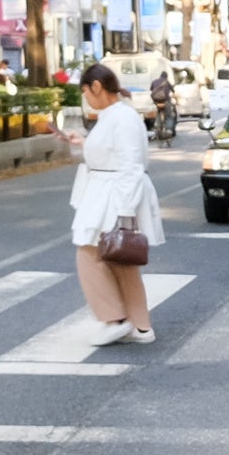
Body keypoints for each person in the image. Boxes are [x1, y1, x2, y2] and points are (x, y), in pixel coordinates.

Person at [67, 60, 162, 343]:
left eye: (85, 91)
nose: (85, 99)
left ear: (96, 87)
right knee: (118, 259)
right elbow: (114, 152)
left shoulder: (121, 117)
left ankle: (115, 318)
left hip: (114, 193)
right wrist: (85, 143)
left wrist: (124, 210)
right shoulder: (115, 115)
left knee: (90, 253)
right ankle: (140, 325)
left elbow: (131, 164)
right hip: (108, 191)